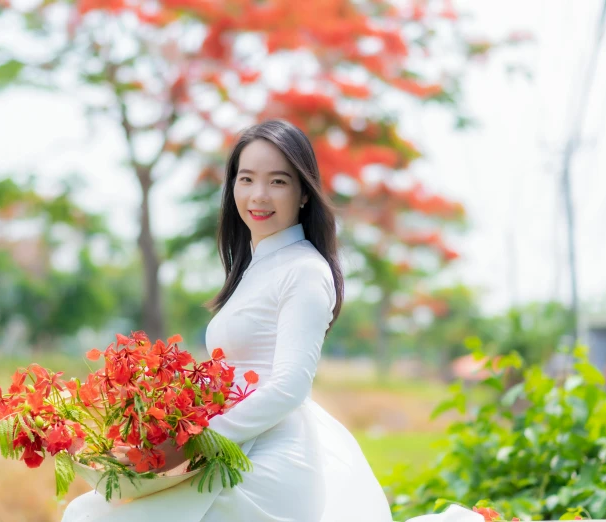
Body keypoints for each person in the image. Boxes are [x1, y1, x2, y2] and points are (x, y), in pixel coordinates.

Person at [61, 119, 394, 522]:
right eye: (247, 178)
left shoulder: (304, 270)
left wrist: (196, 444)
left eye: (278, 182)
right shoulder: (256, 268)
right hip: (231, 450)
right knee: (88, 510)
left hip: (270, 460)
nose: (258, 195)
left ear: (304, 192)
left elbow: (290, 386)